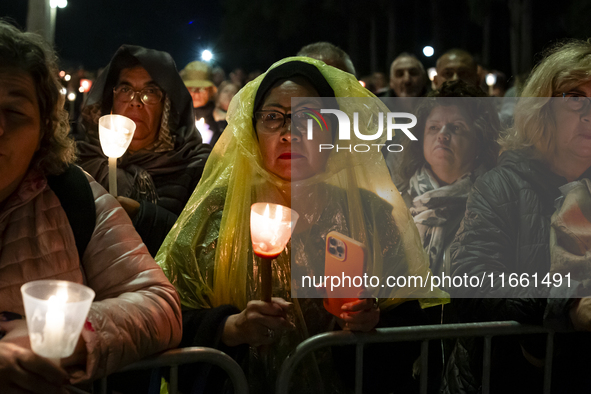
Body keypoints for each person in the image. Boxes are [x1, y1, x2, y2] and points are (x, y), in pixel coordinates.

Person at [157, 57, 447, 393]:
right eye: (273, 118)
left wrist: (372, 321)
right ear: (253, 130)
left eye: (309, 118)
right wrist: (229, 327)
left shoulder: (369, 216)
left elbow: (409, 321)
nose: (289, 134)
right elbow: (166, 313)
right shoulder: (214, 216)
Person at [0, 22, 182, 393]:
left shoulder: (74, 195)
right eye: (126, 89)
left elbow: (159, 304)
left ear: (42, 130)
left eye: (15, 112)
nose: (134, 102)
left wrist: (73, 335)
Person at [445, 40, 591, 393]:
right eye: (574, 97)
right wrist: (565, 303)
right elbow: (472, 281)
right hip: (508, 378)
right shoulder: (501, 187)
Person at [76, 45, 210, 257]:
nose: (135, 102)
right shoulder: (80, 161)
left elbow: (204, 250)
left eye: (150, 92)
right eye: (126, 90)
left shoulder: (196, 167)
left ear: (167, 105)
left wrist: (142, 215)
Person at [398, 80, 500, 277]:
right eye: (434, 128)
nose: (442, 136)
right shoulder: (397, 202)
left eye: (456, 128)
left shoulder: (493, 205)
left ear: (479, 142)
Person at [180, 60, 222, 146]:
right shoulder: (175, 114)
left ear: (210, 91)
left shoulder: (219, 117)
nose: (196, 93)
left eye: (202, 89)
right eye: (192, 88)